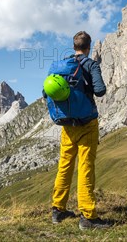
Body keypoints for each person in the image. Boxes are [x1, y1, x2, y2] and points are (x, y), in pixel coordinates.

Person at [50, 31, 112, 230]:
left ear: (74, 45)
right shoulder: (90, 64)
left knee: (65, 165)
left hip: (67, 124)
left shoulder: (63, 65)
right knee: (85, 168)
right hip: (87, 124)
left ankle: (58, 209)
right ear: (89, 46)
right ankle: (88, 217)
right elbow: (100, 90)